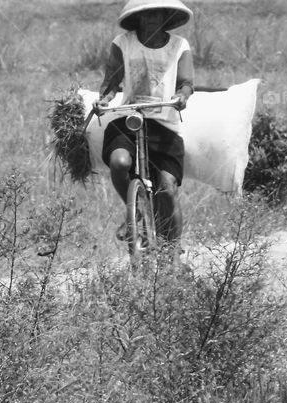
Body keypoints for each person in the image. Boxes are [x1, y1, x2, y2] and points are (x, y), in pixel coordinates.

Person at [94, 0, 194, 250]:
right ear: (136, 18)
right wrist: (103, 100)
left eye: (158, 14)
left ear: (166, 16)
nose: (152, 19)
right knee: (119, 163)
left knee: (167, 189)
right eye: (146, 15)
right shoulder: (123, 43)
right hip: (129, 119)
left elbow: (185, 82)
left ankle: (172, 254)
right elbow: (111, 82)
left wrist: (182, 96)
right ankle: (135, 214)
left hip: (165, 125)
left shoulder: (179, 46)